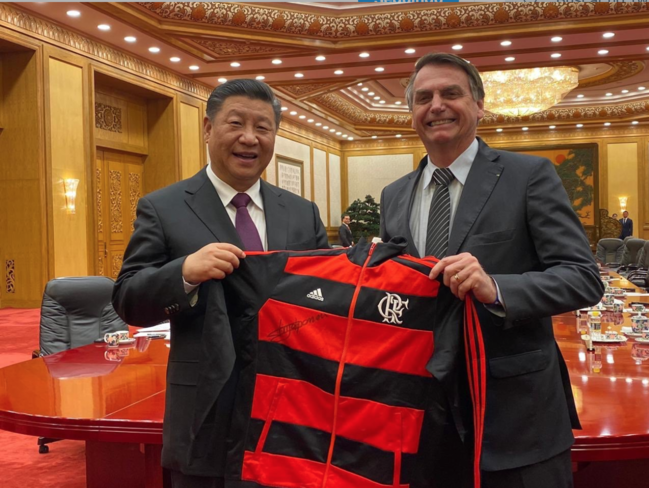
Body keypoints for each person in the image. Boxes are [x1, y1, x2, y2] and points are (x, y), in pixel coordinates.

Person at [380, 53, 604, 488]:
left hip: (517, 418)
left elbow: (582, 276)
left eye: (451, 93)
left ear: (479, 105)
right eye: (423, 98)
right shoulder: (395, 194)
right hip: (422, 415)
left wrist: (497, 288)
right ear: (412, 113)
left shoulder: (529, 175)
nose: (436, 105)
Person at [112, 79, 329, 488]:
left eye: (263, 127)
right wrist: (183, 273)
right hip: (205, 413)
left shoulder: (303, 213)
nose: (249, 138)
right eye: (236, 123)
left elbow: (327, 299)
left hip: (290, 416)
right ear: (208, 128)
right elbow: (128, 298)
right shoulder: (164, 207)